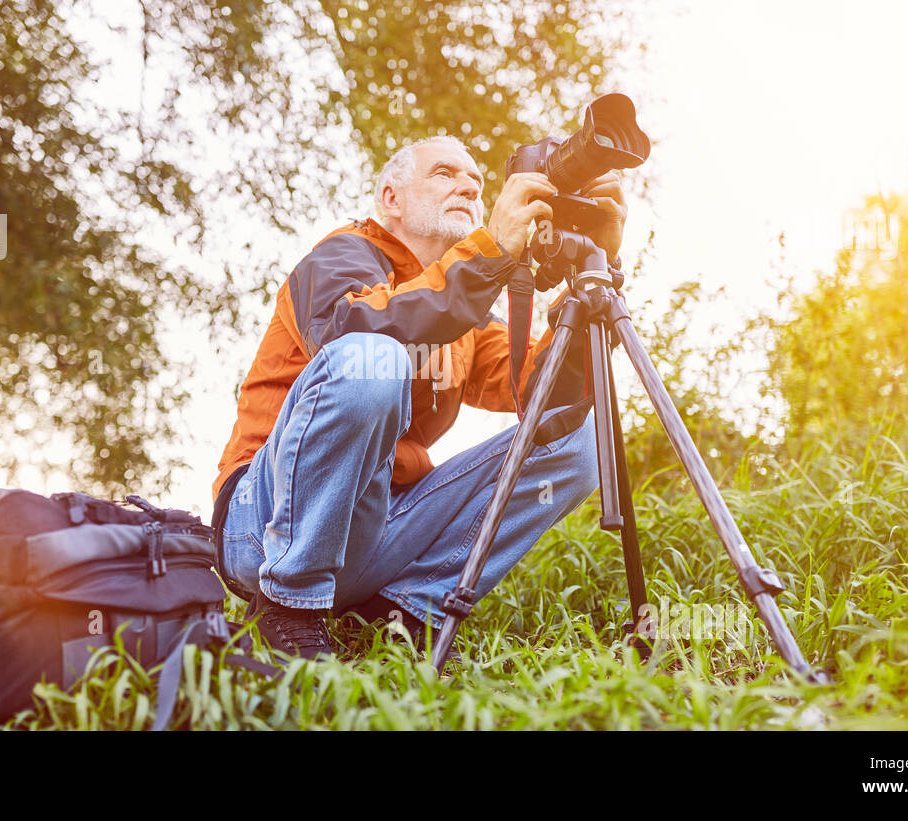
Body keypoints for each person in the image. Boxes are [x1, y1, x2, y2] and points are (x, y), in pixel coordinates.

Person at [210, 135, 628, 658]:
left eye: (476, 181)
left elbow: (550, 402)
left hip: (376, 529)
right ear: (391, 198)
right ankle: (288, 605)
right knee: (373, 359)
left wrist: (595, 273)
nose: (469, 186)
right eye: (444, 173)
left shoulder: (468, 310)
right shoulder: (340, 255)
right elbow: (351, 332)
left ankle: (405, 613)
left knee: (579, 441)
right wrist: (490, 255)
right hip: (263, 526)